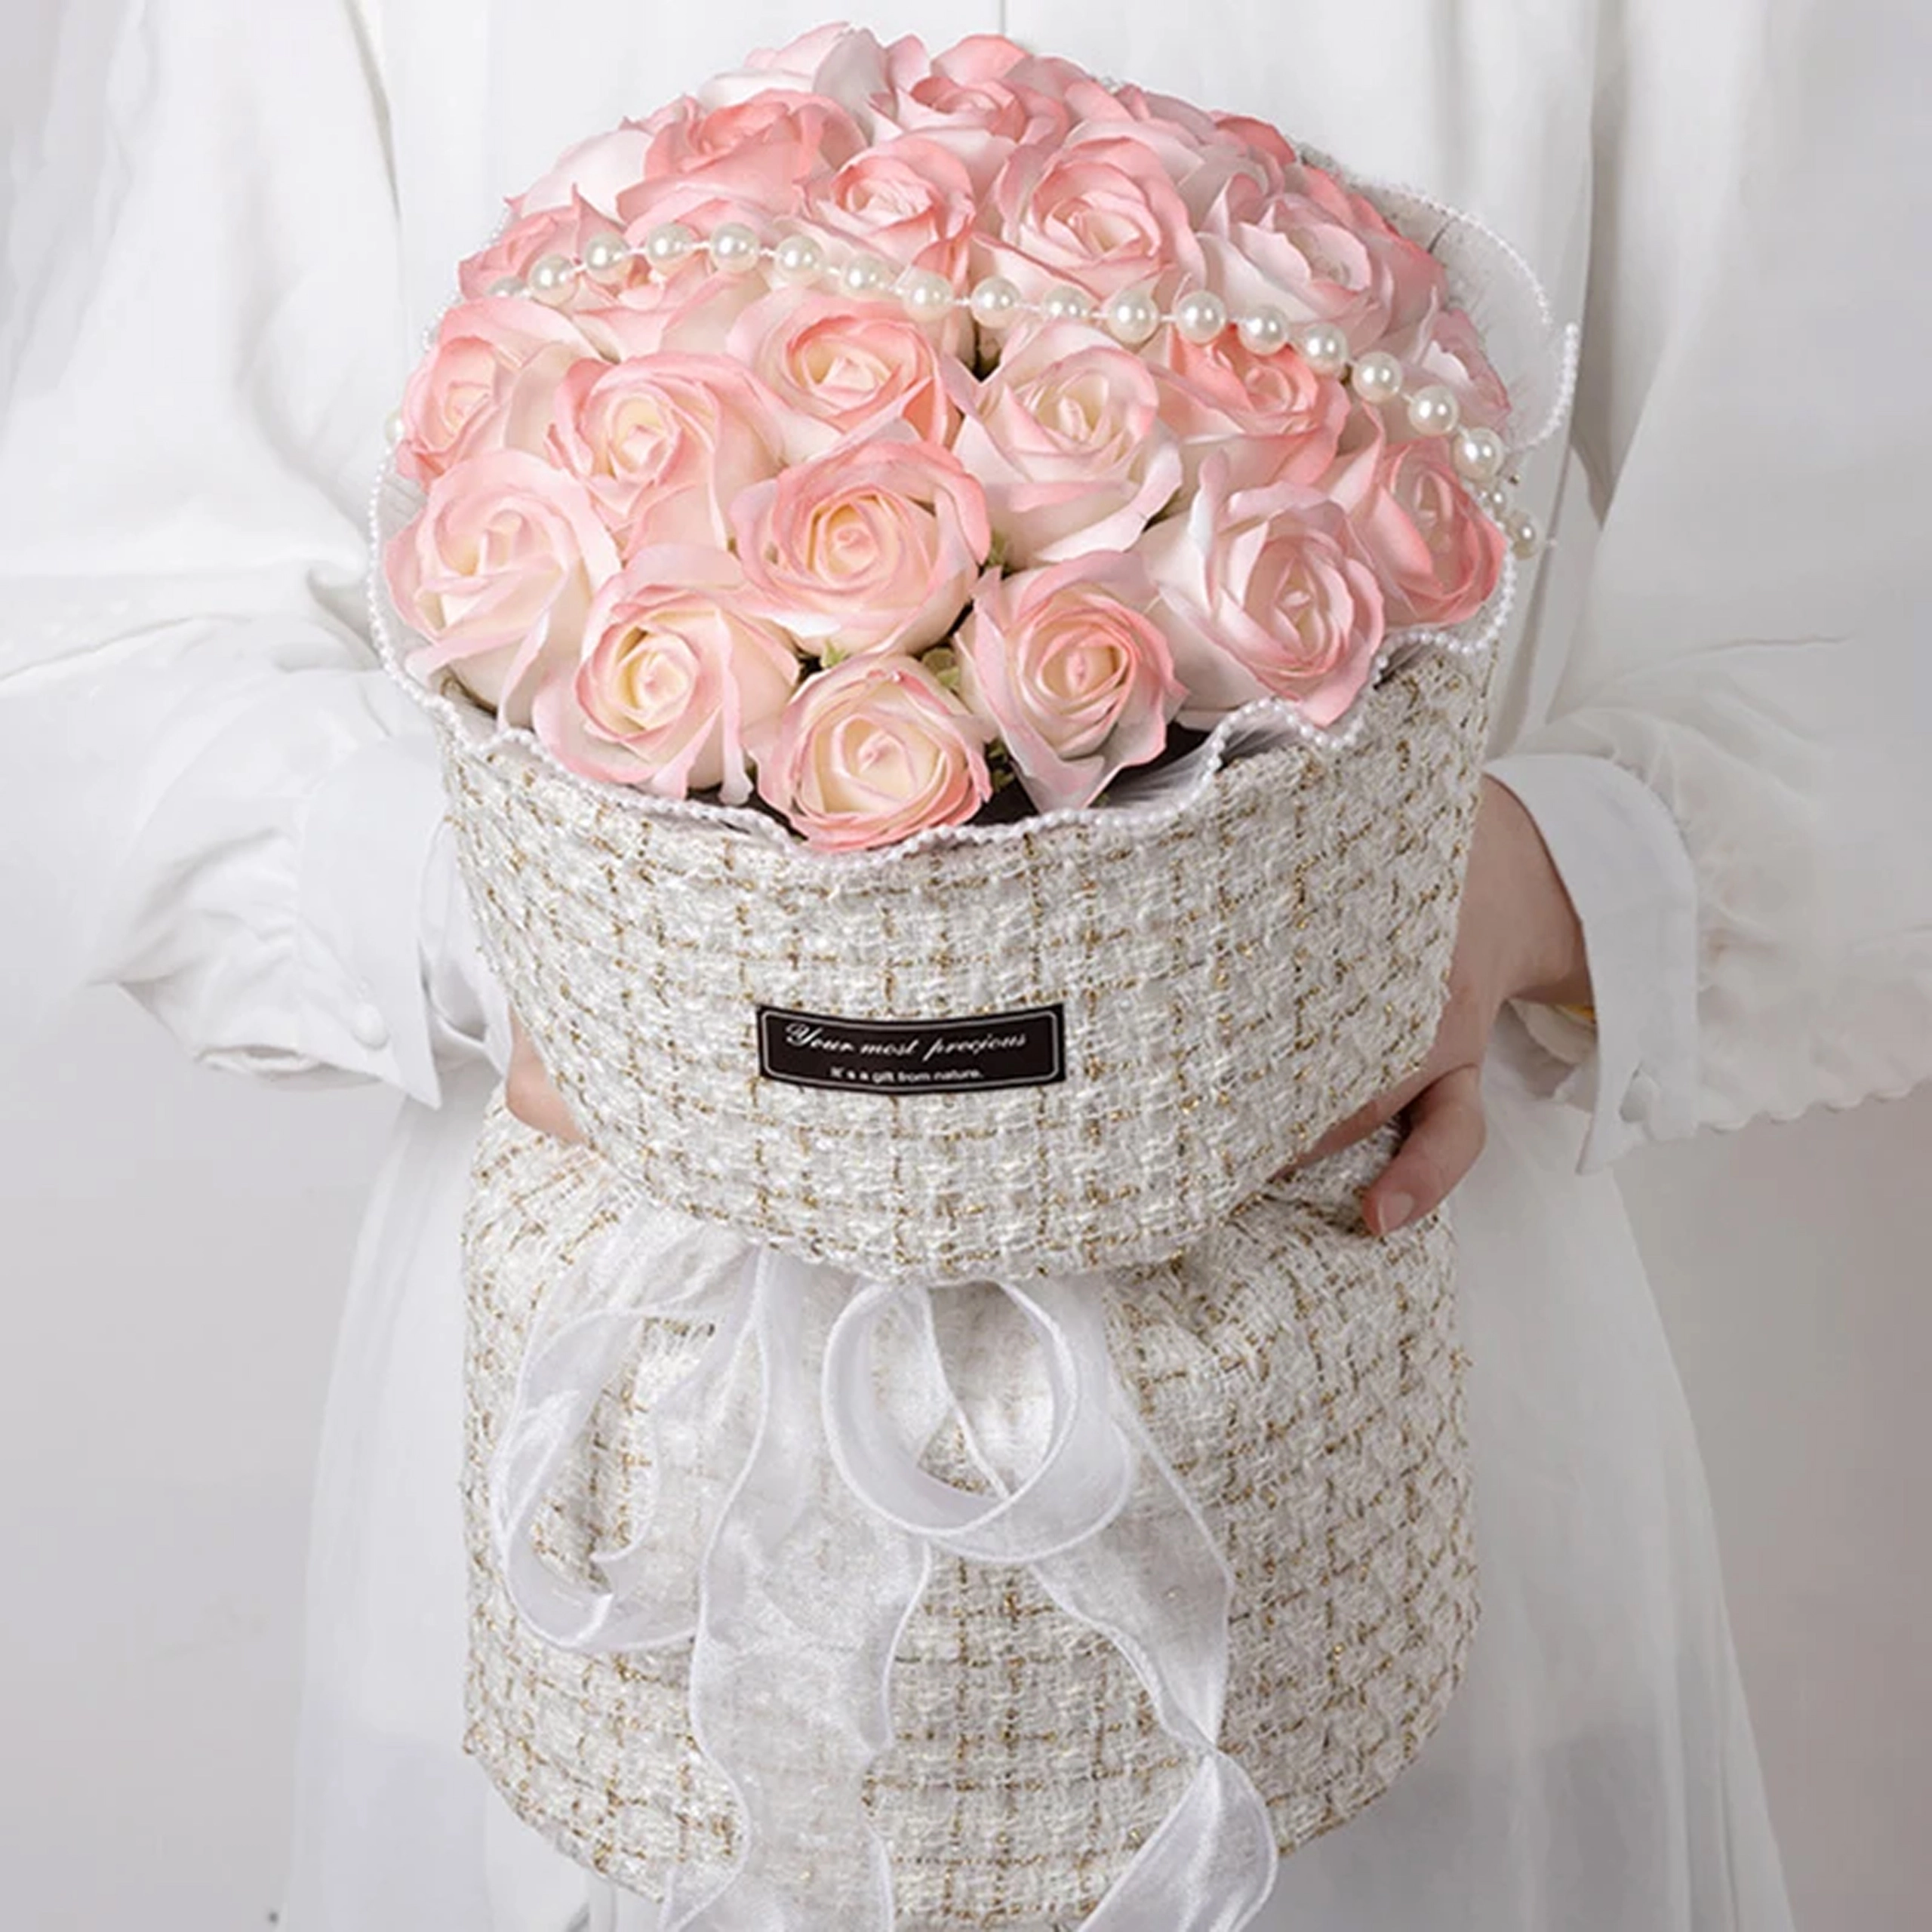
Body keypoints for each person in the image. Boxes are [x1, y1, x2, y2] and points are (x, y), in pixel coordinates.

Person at [2, 2, 1926, 1928]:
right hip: (616, 1462)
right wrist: (539, 934)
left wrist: (1517, 881)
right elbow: (106, 628)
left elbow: (1875, 603)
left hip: (1373, 1449)